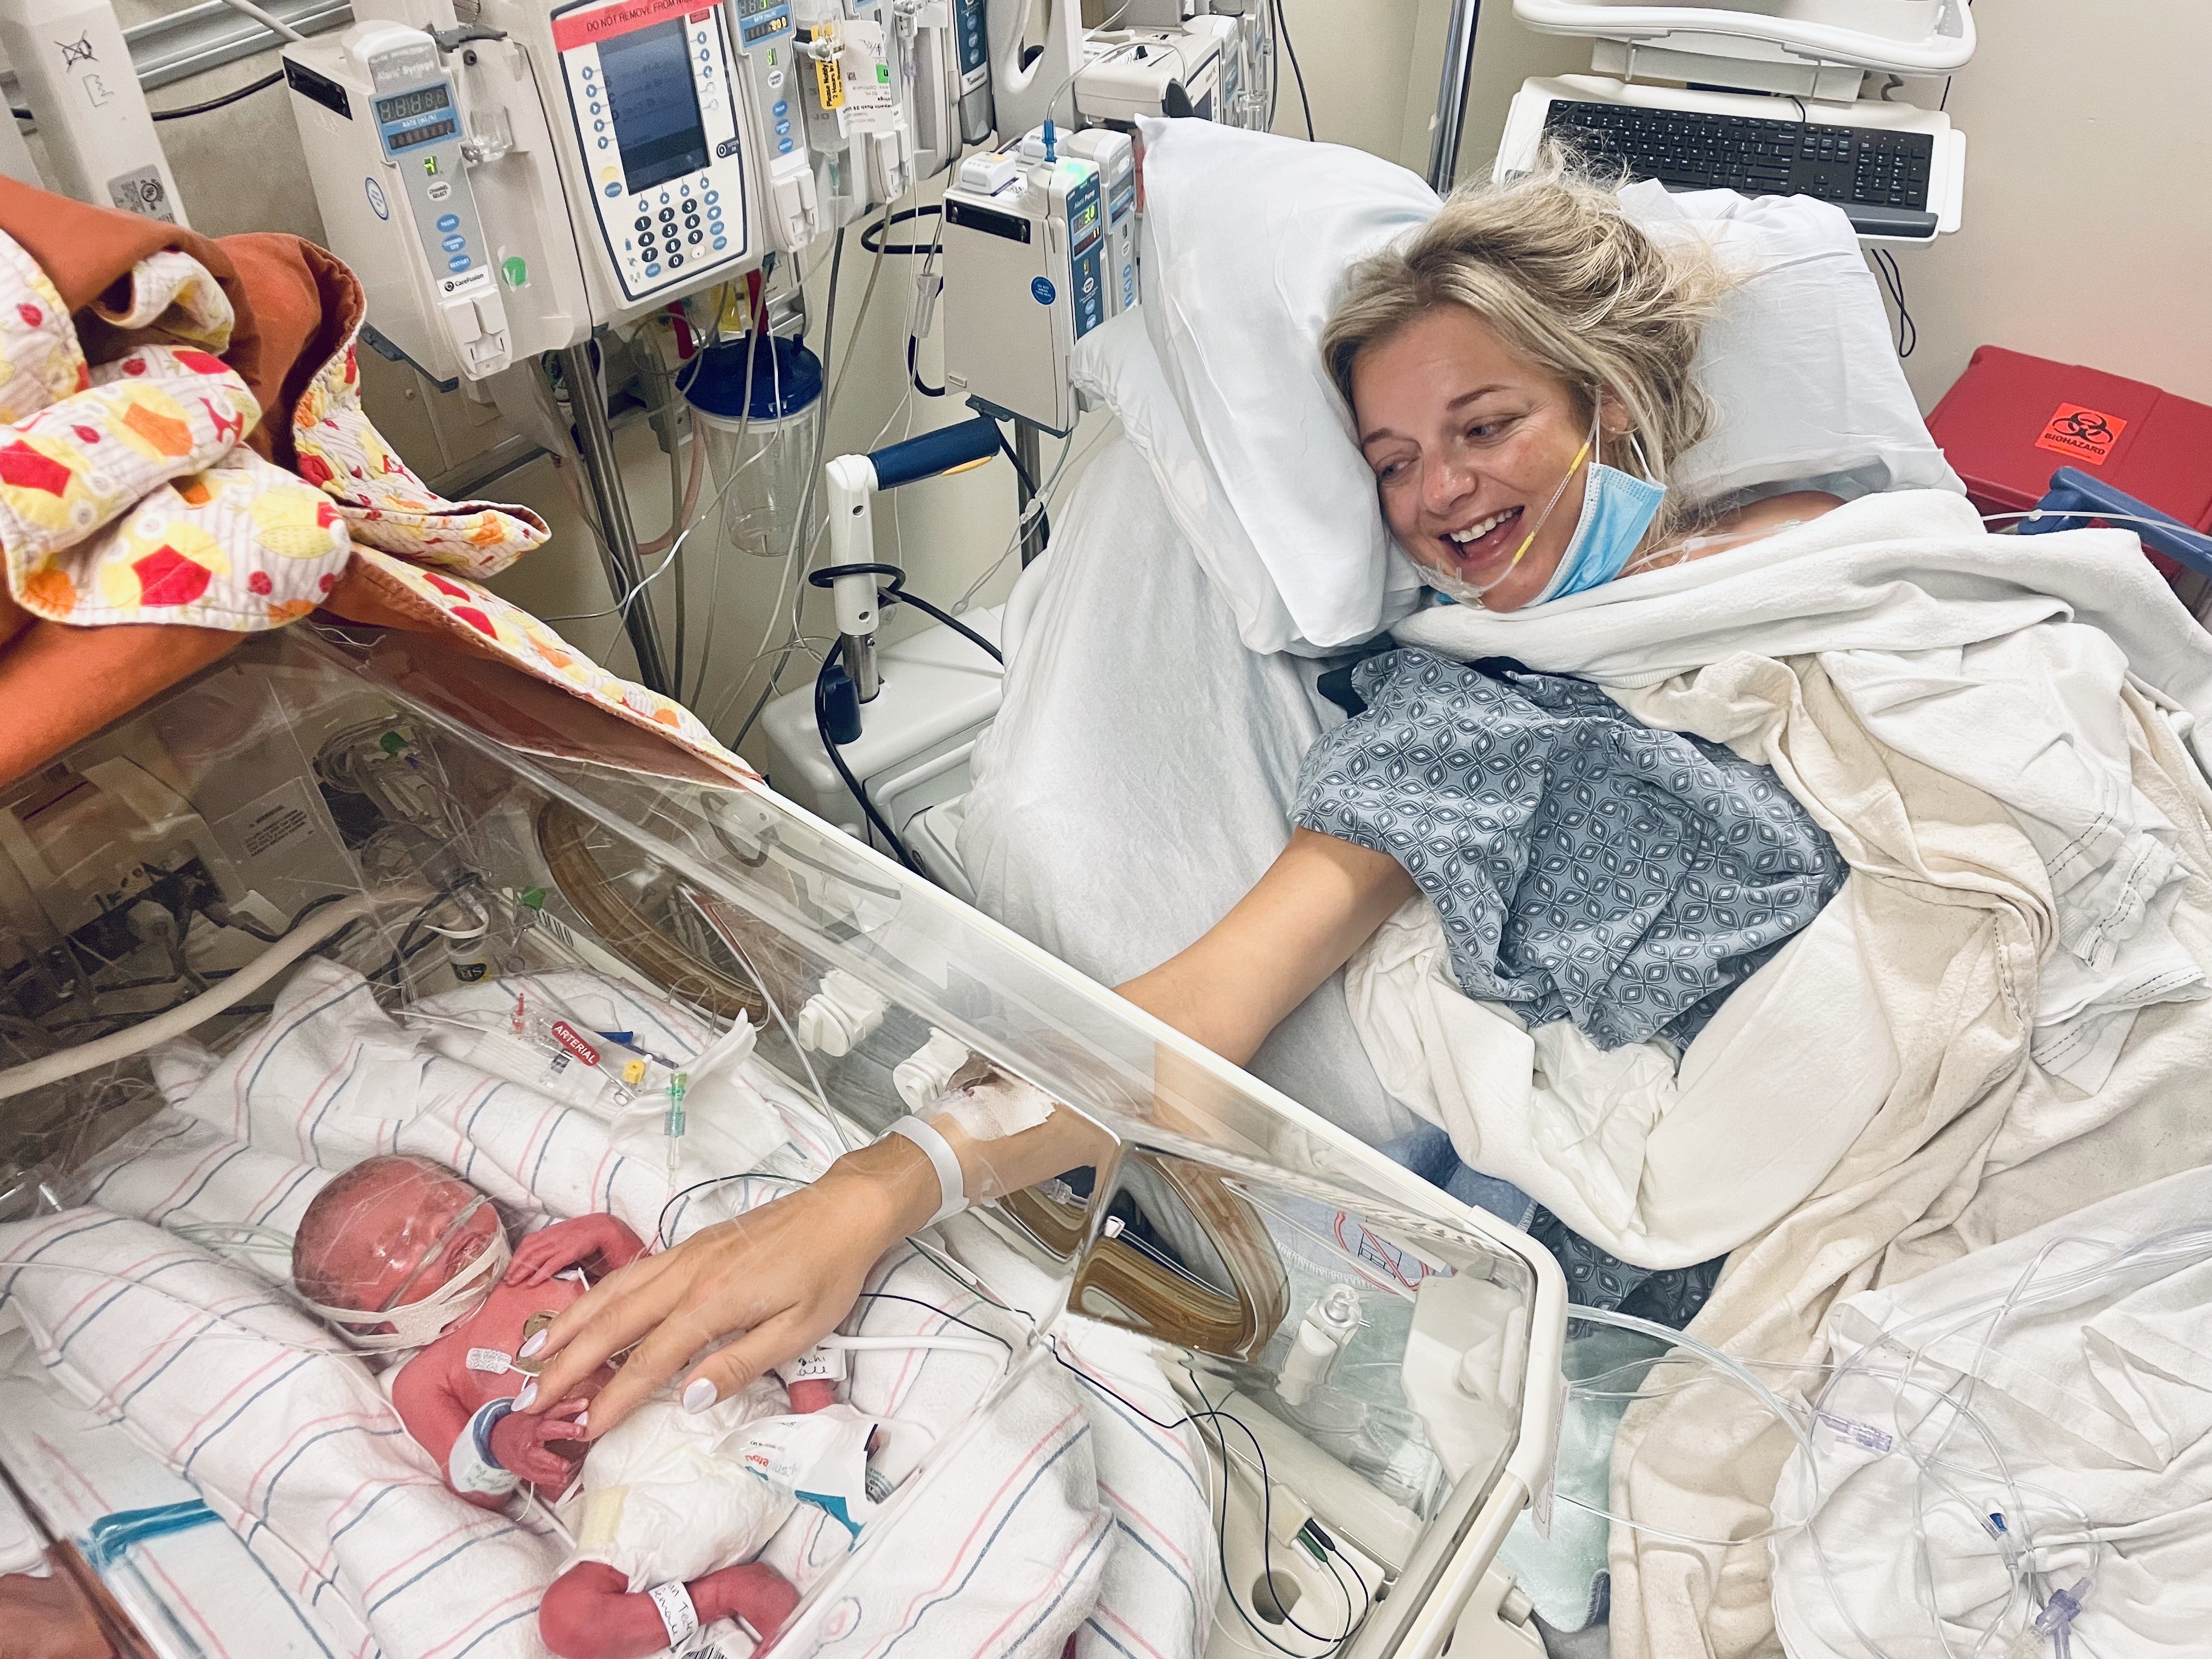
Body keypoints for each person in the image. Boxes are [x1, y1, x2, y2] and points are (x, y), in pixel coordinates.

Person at [515, 164, 1845, 1441]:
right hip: (1708, 1245)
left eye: (1485, 428)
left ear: (1605, 403)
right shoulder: (1458, 725)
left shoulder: (1814, 551)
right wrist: (877, 1188)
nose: (1439, 493)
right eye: (1391, 462)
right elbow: (1204, 1017)